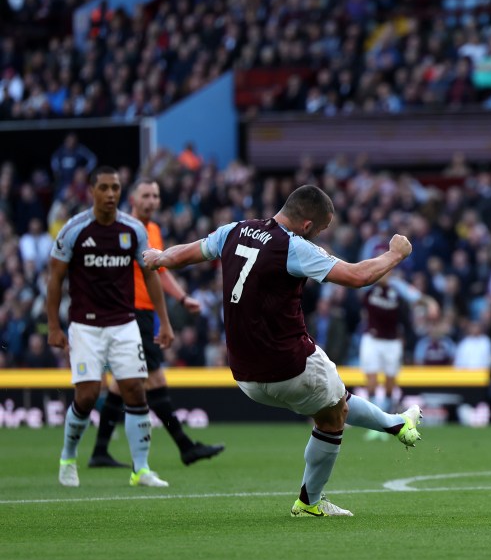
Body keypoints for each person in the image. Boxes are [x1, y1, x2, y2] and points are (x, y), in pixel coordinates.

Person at [142, 185, 423, 518]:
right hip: (290, 363)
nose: (318, 235)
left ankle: (397, 424)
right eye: (320, 229)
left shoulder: (234, 230)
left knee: (334, 399)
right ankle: (309, 502)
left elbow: (187, 253)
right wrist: (395, 254)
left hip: (245, 374)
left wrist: (159, 257)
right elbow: (358, 276)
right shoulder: (295, 246)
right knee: (333, 416)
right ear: (307, 225)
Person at [48, 166, 175, 488]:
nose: (110, 194)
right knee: (88, 395)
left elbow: (151, 274)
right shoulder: (74, 230)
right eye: (103, 188)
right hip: (85, 326)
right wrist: (53, 326)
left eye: (115, 188)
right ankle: (67, 457)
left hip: (124, 324)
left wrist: (165, 322)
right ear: (91, 191)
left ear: (121, 191)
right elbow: (55, 279)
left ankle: (141, 469)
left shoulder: (133, 229)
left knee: (134, 389)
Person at [88, 178, 225, 469]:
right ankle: (185, 446)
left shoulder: (153, 231)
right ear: (133, 199)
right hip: (129, 311)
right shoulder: (121, 228)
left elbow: (159, 270)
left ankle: (100, 450)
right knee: (154, 379)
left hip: (143, 312)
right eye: (146, 195)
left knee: (120, 385)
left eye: (156, 196)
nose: (152, 200)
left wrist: (182, 297)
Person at [359, 270, 438, 439]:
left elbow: (418, 298)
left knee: (389, 383)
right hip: (372, 339)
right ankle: (375, 424)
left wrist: (431, 304)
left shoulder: (399, 287)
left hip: (392, 340)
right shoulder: (368, 282)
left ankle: (385, 423)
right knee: (371, 381)